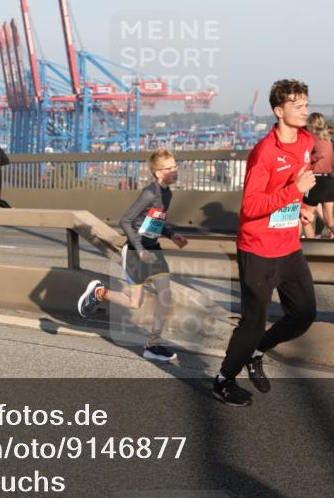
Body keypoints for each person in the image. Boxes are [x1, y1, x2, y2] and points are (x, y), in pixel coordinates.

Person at [214, 79, 318, 406]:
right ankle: (224, 380)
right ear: (279, 111)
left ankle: (257, 352)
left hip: (288, 247)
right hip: (258, 249)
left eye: (305, 104)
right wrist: (294, 191)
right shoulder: (264, 152)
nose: (304, 110)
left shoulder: (305, 141)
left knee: (304, 314)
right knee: (253, 322)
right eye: (297, 105)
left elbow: (292, 189)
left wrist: (300, 208)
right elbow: (251, 206)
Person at [77, 150, 189, 361]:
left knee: (165, 296)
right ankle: (99, 293)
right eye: (169, 168)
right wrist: (140, 249)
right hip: (137, 251)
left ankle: (152, 346)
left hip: (153, 249)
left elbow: (154, 222)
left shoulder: (168, 194)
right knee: (134, 303)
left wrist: (172, 235)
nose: (175, 171)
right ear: (157, 173)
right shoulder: (149, 193)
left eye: (176, 166)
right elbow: (125, 221)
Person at [301, 112, 334, 239]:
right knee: (330, 220)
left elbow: (318, 154)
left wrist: (309, 160)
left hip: (317, 180)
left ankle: (309, 244)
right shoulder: (328, 140)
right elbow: (333, 162)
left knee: (306, 216)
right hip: (329, 179)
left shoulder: (311, 138)